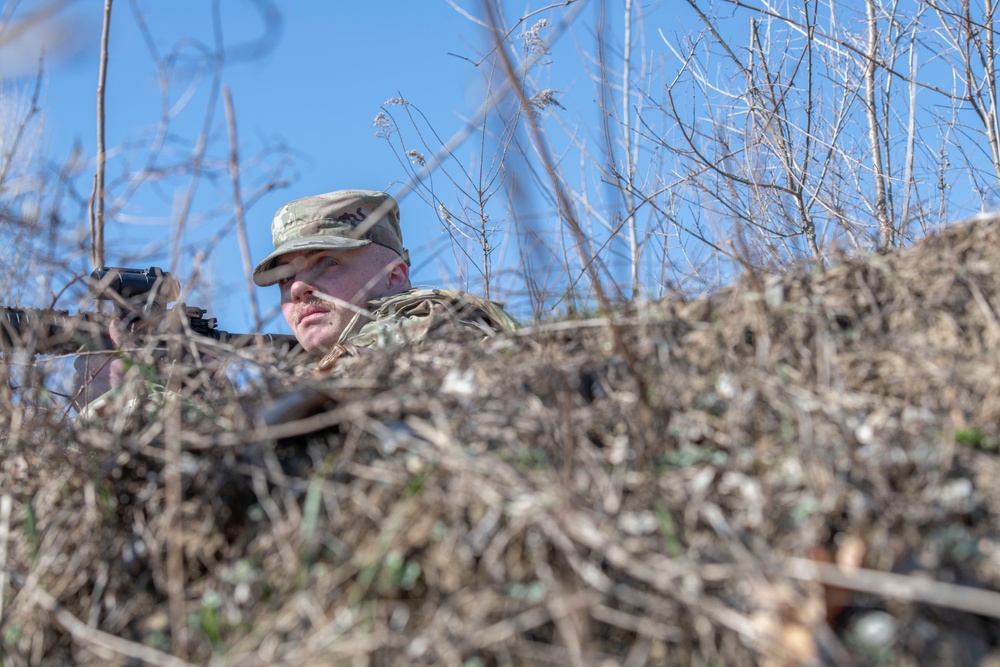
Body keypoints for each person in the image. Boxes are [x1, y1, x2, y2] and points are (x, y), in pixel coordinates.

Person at [73, 189, 518, 408]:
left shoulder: (424, 325)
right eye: (286, 280)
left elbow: (287, 446)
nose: (300, 289)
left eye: (327, 264)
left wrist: (130, 393)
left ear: (394, 276)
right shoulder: (334, 365)